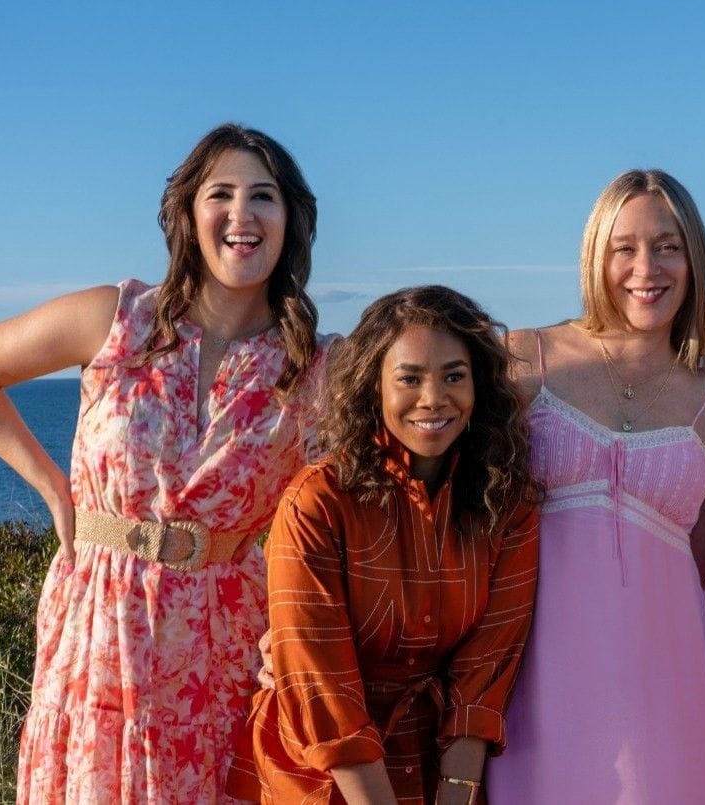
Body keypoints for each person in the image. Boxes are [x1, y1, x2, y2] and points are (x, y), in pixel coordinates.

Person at [0, 124, 330, 801]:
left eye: (263, 196)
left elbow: (422, 400)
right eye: (220, 194)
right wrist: (51, 486)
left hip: (228, 645)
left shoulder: (314, 366)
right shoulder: (114, 318)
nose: (241, 214)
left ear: (290, 219)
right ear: (188, 214)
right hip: (97, 627)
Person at [227, 286, 540, 804]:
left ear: (479, 384)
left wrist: (456, 793)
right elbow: (322, 685)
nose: (433, 398)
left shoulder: (508, 504)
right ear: (373, 386)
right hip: (321, 771)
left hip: (437, 757)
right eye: (409, 378)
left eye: (454, 376)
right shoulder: (317, 503)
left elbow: (486, 668)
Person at [484, 170, 705, 804]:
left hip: (669, 682)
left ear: (694, 259)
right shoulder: (525, 360)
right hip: (539, 675)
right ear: (596, 255)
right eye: (624, 247)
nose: (645, 268)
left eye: (668, 246)